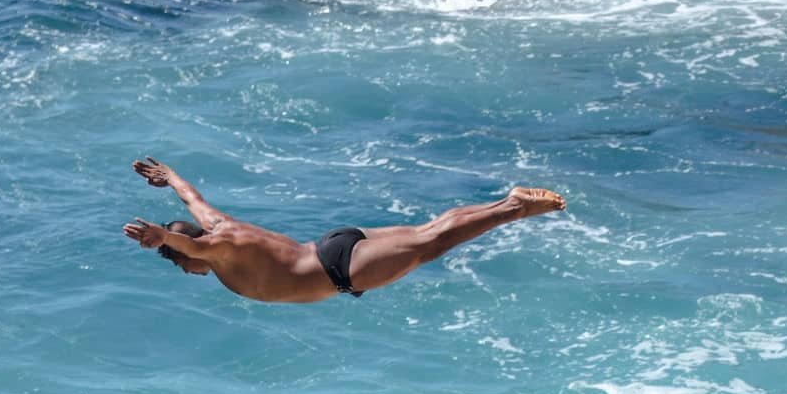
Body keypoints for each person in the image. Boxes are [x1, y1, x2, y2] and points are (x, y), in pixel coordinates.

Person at [122, 157, 564, 303]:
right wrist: (169, 174)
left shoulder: (215, 248)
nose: (187, 269)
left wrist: (163, 239)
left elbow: (188, 243)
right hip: (334, 244)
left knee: (433, 244)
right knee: (429, 232)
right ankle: (509, 204)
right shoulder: (216, 224)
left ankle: (512, 208)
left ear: (190, 251)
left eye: (183, 263)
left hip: (340, 270)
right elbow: (190, 198)